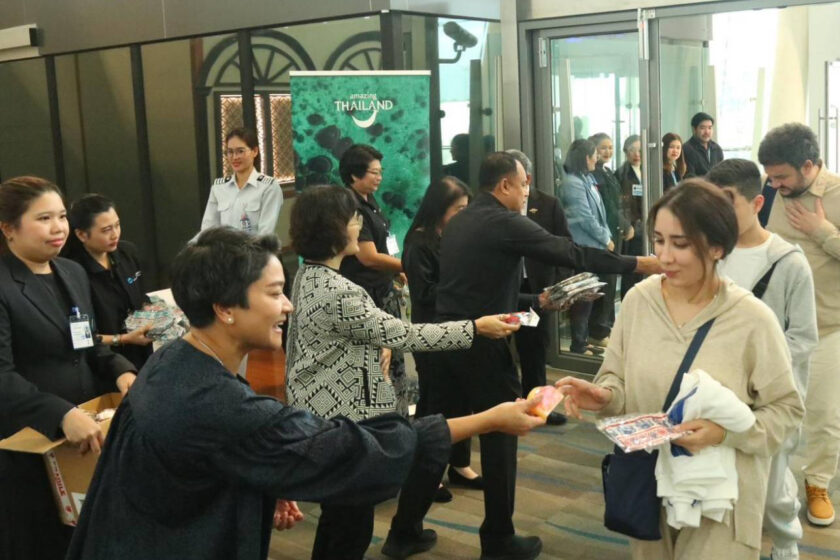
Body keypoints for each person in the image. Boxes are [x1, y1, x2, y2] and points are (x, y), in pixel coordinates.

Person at [66, 226, 547, 560]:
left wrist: (264, 476)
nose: (288, 305)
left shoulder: (173, 359)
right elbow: (355, 449)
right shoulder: (215, 402)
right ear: (225, 308)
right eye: (274, 293)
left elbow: (220, 453)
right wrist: (489, 419)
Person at [557, 179, 803, 560]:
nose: (665, 256)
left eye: (681, 244)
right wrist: (603, 395)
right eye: (658, 240)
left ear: (718, 247)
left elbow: (786, 410)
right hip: (648, 483)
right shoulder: (640, 301)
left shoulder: (751, 319)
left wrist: (723, 433)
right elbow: (616, 378)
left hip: (721, 498)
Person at [435, 152, 662, 560]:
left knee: (440, 434)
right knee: (503, 437)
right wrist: (641, 263)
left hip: (449, 340)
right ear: (504, 185)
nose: (527, 192)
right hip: (483, 346)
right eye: (523, 184)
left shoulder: (462, 219)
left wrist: (535, 303)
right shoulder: (502, 221)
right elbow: (572, 252)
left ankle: (404, 529)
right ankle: (498, 539)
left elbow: (475, 289)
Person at [286, 185, 516, 559]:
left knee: (337, 523)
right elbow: (407, 333)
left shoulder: (306, 277)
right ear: (334, 229)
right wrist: (476, 328)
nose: (359, 225)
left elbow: (354, 336)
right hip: (347, 426)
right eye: (352, 218)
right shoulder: (341, 291)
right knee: (350, 531)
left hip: (321, 418)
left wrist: (378, 343)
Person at [0, 176, 137, 560]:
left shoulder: (71, 273)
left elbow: (87, 344)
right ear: (9, 228)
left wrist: (121, 370)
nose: (58, 227)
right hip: (28, 445)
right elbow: (2, 376)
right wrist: (60, 415)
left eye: (61, 216)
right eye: (44, 218)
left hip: (84, 438)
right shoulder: (4, 285)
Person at [759, 123, 840, 528]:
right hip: (775, 326)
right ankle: (771, 485)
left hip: (829, 324)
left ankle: (817, 484)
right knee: (772, 410)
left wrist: (823, 232)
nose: (774, 184)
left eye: (781, 176)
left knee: (825, 412)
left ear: (809, 166)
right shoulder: (770, 196)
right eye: (770, 175)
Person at [708, 159, 818, 560]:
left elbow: (803, 339)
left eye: (727, 204)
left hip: (770, 398)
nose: (717, 216)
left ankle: (786, 546)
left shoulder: (789, 262)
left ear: (757, 203)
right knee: (724, 489)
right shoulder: (710, 253)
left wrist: (760, 372)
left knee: (772, 489)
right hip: (717, 394)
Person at [403, 177, 483, 502]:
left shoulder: (454, 235)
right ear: (440, 208)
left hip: (459, 326)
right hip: (432, 330)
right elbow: (424, 293)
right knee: (435, 401)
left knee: (462, 395)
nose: (464, 215)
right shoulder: (418, 243)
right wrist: (466, 287)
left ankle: (459, 463)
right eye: (459, 209)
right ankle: (427, 472)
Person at [337, 144, 412, 414]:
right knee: (378, 364)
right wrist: (408, 266)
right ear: (355, 175)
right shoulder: (351, 206)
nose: (379, 177)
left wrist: (396, 270)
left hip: (382, 289)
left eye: (381, 172)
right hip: (367, 294)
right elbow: (367, 256)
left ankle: (397, 418)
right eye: (373, 173)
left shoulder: (370, 199)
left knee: (394, 359)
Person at [506, 149, 572, 426]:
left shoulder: (547, 204)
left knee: (534, 349)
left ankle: (538, 407)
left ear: (527, 177)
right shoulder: (494, 206)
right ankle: (505, 405)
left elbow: (564, 246)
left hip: (536, 289)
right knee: (499, 348)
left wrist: (562, 287)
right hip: (504, 287)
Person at [62, 194, 154, 370]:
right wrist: (123, 339)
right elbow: (80, 336)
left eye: (117, 225)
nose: (115, 235)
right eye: (106, 230)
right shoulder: (72, 272)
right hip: (103, 364)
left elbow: (141, 295)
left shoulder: (127, 253)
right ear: (82, 234)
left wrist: (152, 312)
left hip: (142, 355)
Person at [558, 138, 613, 356]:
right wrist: (604, 238)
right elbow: (584, 217)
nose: (597, 158)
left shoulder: (586, 179)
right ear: (585, 158)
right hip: (583, 247)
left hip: (595, 244)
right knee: (583, 297)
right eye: (594, 155)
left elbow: (600, 213)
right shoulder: (572, 183)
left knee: (590, 296)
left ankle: (584, 339)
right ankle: (578, 345)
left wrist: (605, 235)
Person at [197, 127, 284, 238]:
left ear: (255, 151)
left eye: (240, 151)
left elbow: (265, 234)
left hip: (255, 252)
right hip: (224, 252)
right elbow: (208, 229)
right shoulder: (219, 187)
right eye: (230, 152)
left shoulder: (268, 187)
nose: (234, 157)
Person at [587, 132, 627, 349]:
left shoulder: (608, 172)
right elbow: (605, 208)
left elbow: (617, 203)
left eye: (610, 147)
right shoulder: (593, 176)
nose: (607, 151)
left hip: (614, 232)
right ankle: (597, 330)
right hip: (603, 236)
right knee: (604, 282)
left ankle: (607, 326)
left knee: (612, 283)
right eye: (603, 148)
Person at [617, 135, 646, 297]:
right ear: (625, 152)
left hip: (646, 227)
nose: (637, 154)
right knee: (632, 273)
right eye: (632, 150)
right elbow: (621, 204)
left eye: (640, 150)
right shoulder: (621, 174)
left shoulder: (648, 170)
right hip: (632, 229)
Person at [682, 112, 725, 177]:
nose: (707, 132)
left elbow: (722, 173)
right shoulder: (686, 149)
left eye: (710, 128)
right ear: (694, 129)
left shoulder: (717, 148)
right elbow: (689, 177)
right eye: (702, 128)